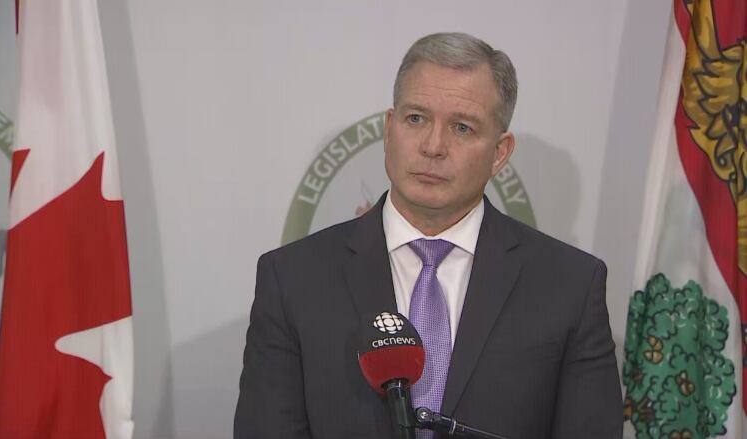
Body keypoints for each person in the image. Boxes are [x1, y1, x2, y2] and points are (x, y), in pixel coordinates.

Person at [234, 32, 622, 439]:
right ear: (389, 129)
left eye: (462, 127)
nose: (433, 146)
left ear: (500, 153)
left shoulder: (569, 286)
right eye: (416, 118)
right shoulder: (294, 279)